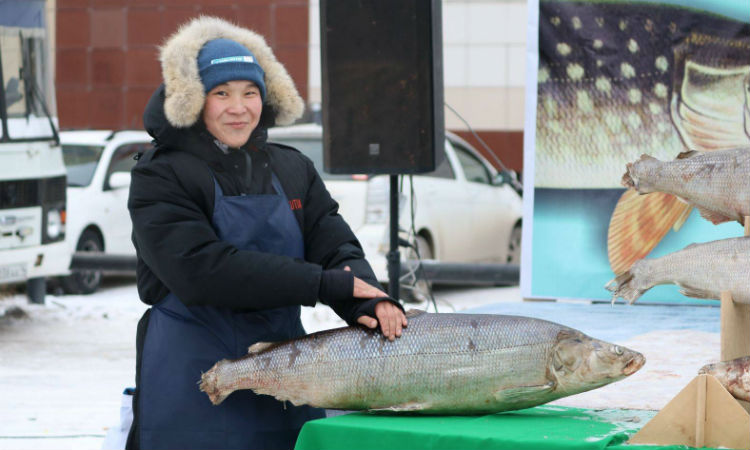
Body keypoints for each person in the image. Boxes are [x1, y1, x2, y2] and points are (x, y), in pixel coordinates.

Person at [125, 16, 407, 450]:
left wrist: (365, 299)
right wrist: (322, 283)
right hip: (193, 378)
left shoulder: (291, 167)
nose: (239, 108)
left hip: (286, 377)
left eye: (250, 93)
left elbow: (333, 243)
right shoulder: (161, 174)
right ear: (197, 99)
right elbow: (202, 270)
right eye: (222, 94)